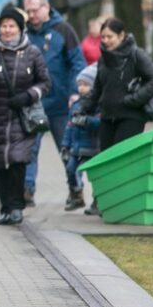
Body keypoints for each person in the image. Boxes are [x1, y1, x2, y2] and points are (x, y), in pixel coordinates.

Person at [0, 4, 50, 225]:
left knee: (16, 162)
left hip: (22, 119)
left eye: (11, 26)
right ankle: (5, 207)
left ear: (20, 29)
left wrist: (28, 96)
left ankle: (16, 207)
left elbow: (45, 83)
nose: (7, 30)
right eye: (3, 26)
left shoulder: (32, 53)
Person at [79, 17, 153, 214]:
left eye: (110, 37)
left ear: (121, 35)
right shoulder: (104, 59)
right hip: (108, 116)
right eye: (103, 37)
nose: (105, 41)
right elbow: (98, 89)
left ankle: (121, 203)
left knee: (122, 160)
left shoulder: (136, 54)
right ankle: (101, 201)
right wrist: (84, 108)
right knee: (104, 160)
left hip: (130, 117)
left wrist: (134, 100)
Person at [23, 0, 85, 206]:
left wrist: (75, 91)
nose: (31, 15)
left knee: (67, 149)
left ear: (46, 7)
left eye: (35, 10)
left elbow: (78, 62)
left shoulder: (64, 30)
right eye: (28, 11)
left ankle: (76, 189)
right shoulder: (25, 34)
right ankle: (27, 190)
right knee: (29, 149)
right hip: (34, 103)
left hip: (60, 102)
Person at [60, 64, 100, 211]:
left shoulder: (98, 104)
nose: (81, 88)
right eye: (80, 84)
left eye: (86, 85)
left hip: (93, 148)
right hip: (76, 148)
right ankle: (77, 196)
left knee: (96, 177)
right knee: (70, 170)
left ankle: (98, 201)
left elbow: (100, 123)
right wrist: (65, 144)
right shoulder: (75, 105)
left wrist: (86, 121)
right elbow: (69, 126)